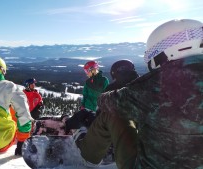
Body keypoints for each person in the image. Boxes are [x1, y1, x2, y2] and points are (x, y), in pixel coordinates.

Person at [75, 19, 203, 169]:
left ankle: (88, 155)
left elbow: (107, 101)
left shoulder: (153, 86)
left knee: (112, 112)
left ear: (162, 54)